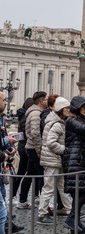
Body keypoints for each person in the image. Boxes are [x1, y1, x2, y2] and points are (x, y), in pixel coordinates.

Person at [62, 96, 85, 233]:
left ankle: (75, 224)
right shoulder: (71, 121)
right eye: (84, 108)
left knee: (79, 192)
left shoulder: (77, 120)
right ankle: (71, 219)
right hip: (75, 159)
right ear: (78, 108)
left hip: (79, 158)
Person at [38, 97, 73, 225]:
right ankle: (41, 215)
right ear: (60, 110)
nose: (68, 111)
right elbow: (51, 143)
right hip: (52, 160)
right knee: (48, 188)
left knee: (63, 187)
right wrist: (64, 150)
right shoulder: (57, 124)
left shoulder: (58, 121)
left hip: (56, 160)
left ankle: (71, 211)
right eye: (66, 109)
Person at [0, 91, 24, 233]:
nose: (6, 102)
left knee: (3, 196)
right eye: (3, 99)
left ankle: (8, 224)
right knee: (1, 210)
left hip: (2, 163)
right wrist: (5, 144)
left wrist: (9, 148)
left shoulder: (2, 117)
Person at [19, 91, 48, 208]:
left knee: (30, 174)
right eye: (46, 99)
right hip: (34, 149)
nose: (47, 101)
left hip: (31, 147)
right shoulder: (36, 114)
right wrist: (39, 150)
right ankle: (43, 204)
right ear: (41, 101)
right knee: (42, 175)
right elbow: (35, 133)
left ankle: (22, 200)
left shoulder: (34, 111)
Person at [11, 97, 33, 206]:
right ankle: (19, 197)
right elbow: (25, 134)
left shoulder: (22, 116)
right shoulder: (26, 118)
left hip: (22, 147)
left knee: (22, 172)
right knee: (24, 173)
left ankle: (16, 196)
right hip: (25, 148)